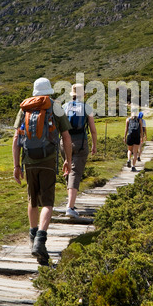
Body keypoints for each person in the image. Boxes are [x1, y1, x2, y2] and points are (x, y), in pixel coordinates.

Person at [12, 77, 72, 266]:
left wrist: (16, 166)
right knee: (47, 202)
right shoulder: (56, 106)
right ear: (49, 90)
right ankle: (40, 239)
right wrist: (67, 160)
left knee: (32, 199)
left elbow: (16, 138)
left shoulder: (25, 107)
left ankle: (32, 236)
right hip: (47, 159)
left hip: (28, 159)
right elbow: (66, 136)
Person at [61, 83, 97, 218]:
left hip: (64, 142)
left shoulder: (64, 107)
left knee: (67, 168)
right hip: (80, 142)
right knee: (75, 172)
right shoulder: (87, 108)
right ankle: (70, 206)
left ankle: (71, 201)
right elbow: (92, 129)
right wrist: (94, 144)